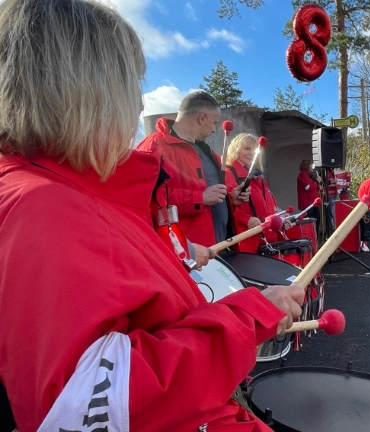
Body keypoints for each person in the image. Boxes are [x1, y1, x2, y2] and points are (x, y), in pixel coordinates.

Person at [0, 1, 304, 431]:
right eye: (129, 84)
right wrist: (246, 318)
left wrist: (181, 251)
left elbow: (130, 281)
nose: (136, 102)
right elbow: (87, 408)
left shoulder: (76, 194)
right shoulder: (42, 211)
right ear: (89, 89)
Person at [139, 91, 250, 247]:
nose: (214, 130)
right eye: (215, 123)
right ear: (202, 117)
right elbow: (145, 199)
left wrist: (232, 198)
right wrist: (199, 198)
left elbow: (215, 195)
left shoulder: (209, 152)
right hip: (186, 255)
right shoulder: (155, 146)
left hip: (220, 249)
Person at [224, 133, 293, 252]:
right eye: (246, 148)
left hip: (268, 242)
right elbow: (225, 208)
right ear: (235, 149)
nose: (251, 153)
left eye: (255, 149)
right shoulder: (229, 174)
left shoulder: (259, 179)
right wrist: (246, 220)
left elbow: (269, 209)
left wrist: (280, 220)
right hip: (247, 244)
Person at [297, 159, 322, 224]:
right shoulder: (302, 174)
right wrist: (317, 181)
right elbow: (308, 187)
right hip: (307, 204)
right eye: (311, 165)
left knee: (317, 220)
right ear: (307, 165)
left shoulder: (309, 175)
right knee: (310, 222)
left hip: (312, 203)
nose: (312, 167)